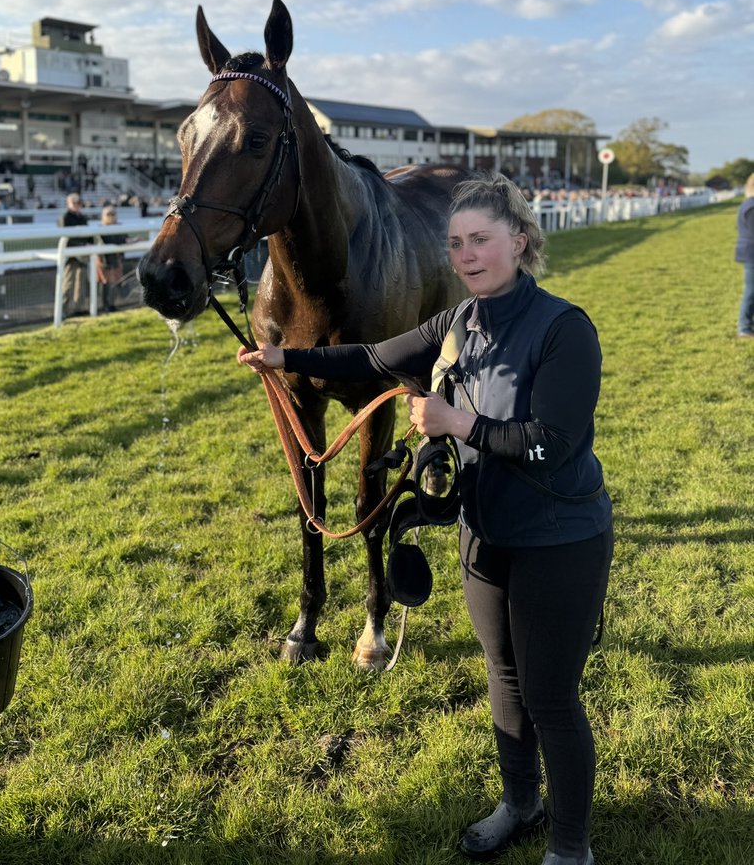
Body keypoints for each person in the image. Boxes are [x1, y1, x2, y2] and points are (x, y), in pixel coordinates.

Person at [238, 173, 612, 865]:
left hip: (560, 538)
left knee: (551, 698)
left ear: (520, 242)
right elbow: (372, 358)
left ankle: (570, 847)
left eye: (481, 241)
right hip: (485, 532)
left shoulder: (564, 329)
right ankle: (520, 804)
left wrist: (453, 422)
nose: (465, 255)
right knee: (503, 679)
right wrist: (281, 356)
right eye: (456, 243)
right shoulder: (457, 323)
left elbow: (553, 444)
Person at [58, 192, 91, 317]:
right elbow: (67, 237)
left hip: (81, 255)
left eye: (79, 202)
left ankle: (78, 308)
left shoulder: (82, 217)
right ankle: (62, 309)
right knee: (68, 282)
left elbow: (88, 234)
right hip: (70, 255)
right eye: (75, 203)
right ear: (69, 204)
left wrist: (89, 244)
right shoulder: (65, 217)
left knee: (80, 282)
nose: (78, 205)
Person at [95, 205, 129, 313]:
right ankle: (105, 306)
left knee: (115, 282)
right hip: (104, 261)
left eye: (113, 214)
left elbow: (124, 239)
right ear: (103, 216)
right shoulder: (100, 228)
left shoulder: (120, 227)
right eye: (108, 214)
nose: (111, 216)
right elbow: (111, 241)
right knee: (105, 284)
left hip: (117, 259)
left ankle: (112, 305)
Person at [735, 173, 754, 339]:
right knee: (751, 290)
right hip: (751, 253)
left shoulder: (748, 204)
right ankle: (744, 326)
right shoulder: (752, 207)